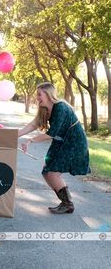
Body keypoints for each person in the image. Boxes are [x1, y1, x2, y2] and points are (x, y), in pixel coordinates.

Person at [18, 82, 90, 214]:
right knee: (46, 172)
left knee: (52, 173)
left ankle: (68, 204)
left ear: (48, 94)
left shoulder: (60, 107)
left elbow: (52, 133)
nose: (37, 97)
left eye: (39, 94)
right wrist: (15, 135)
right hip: (61, 141)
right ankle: (65, 202)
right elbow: (34, 124)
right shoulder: (45, 109)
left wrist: (31, 140)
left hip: (73, 142)